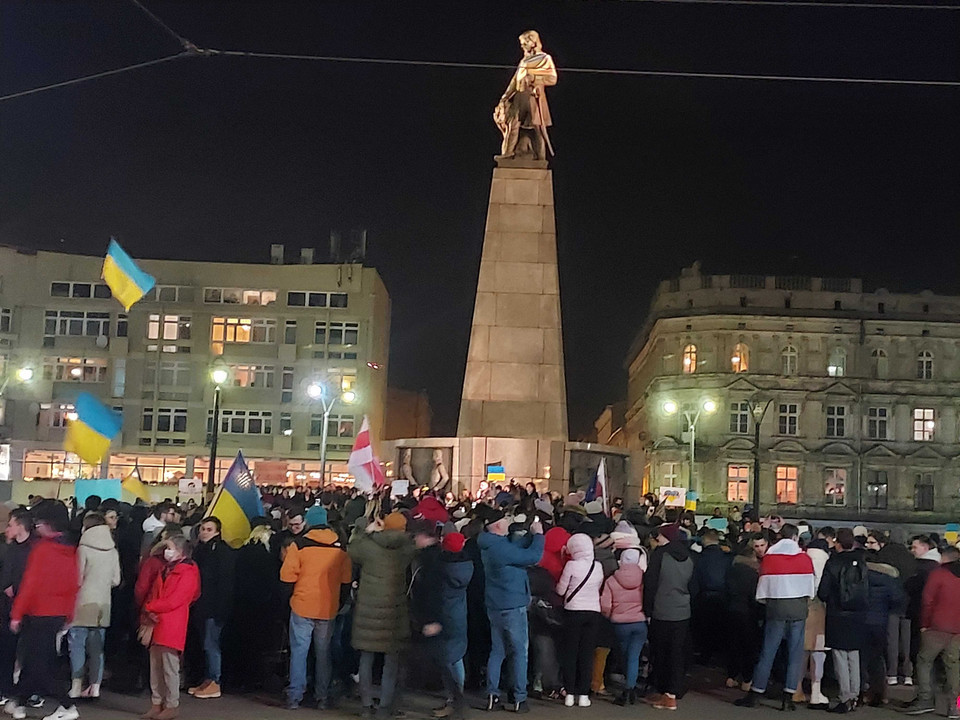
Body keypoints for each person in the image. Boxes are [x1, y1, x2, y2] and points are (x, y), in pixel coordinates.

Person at [8, 500, 80, 720]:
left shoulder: (42, 550)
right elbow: (74, 585)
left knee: (40, 664)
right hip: (57, 614)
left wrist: (16, 614)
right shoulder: (70, 549)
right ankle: (19, 701)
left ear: (47, 523)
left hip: (38, 612)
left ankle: (67, 706)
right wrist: (69, 614)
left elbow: (30, 584)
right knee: (37, 660)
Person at [735, 524, 815, 711]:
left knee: (768, 651)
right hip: (798, 610)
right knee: (795, 654)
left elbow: (762, 588)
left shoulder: (770, 557)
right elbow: (811, 587)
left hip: (776, 609)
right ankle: (788, 696)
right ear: (795, 537)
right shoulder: (804, 558)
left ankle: (756, 692)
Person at [280, 512, 351, 710]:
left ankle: (295, 696)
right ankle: (322, 697)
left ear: (308, 522)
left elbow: (287, 577)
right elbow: (346, 581)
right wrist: (337, 602)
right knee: (323, 654)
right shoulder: (339, 548)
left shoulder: (299, 545)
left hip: (302, 605)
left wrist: (289, 599)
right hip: (327, 608)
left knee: (299, 653)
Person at [349, 512, 416, 719]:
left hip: (368, 612)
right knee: (391, 663)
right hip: (395, 612)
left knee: (366, 658)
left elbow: (351, 548)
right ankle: (385, 706)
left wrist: (366, 530)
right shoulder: (407, 549)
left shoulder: (369, 547)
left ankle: (366, 705)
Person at [478, 511, 545, 713]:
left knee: (498, 651)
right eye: (505, 520)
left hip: (495, 604)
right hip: (512, 605)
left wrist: (528, 537)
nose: (509, 522)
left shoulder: (491, 545)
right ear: (498, 525)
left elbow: (514, 549)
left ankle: (493, 695)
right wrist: (539, 535)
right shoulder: (500, 548)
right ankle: (518, 698)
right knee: (518, 652)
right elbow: (533, 556)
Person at [141, 534, 201, 720]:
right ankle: (157, 703)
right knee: (156, 667)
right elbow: (154, 592)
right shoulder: (167, 569)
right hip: (158, 620)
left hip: (171, 622)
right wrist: (151, 609)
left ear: (180, 551)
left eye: (170, 547)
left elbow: (177, 599)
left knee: (169, 667)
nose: (166, 551)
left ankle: (171, 704)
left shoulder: (187, 572)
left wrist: (151, 607)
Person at [644, 523, 696, 711]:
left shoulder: (659, 555)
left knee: (662, 653)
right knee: (676, 652)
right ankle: (672, 691)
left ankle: (667, 693)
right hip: (683, 610)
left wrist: (647, 610)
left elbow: (650, 584)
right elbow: (694, 585)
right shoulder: (690, 555)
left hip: (661, 609)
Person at [68, 512, 120, 700]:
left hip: (83, 602)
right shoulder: (113, 550)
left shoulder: (83, 549)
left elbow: (77, 578)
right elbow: (116, 579)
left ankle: (76, 685)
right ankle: (95, 686)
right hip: (104, 604)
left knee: (77, 645)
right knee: (97, 647)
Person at [903, 546, 960, 717]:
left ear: (944, 558)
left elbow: (927, 600)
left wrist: (924, 624)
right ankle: (955, 706)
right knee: (953, 666)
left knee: (924, 661)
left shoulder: (938, 574)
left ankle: (925, 699)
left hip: (936, 626)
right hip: (957, 629)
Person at [817, 527, 868, 713]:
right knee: (853, 654)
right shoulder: (862, 562)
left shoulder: (833, 562)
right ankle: (854, 694)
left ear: (837, 543)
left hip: (837, 613)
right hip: (857, 614)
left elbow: (823, 591)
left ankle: (845, 696)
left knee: (839, 655)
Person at [188, 517, 235, 700]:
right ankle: (208, 679)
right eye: (202, 529)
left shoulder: (221, 552)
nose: (204, 532)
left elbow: (225, 584)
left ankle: (214, 681)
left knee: (211, 644)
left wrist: (220, 610)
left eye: (208, 529)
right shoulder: (201, 550)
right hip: (202, 606)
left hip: (213, 608)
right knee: (206, 644)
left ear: (217, 531)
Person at [494, 30, 557, 161]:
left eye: (525, 43)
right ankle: (508, 153)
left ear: (533, 42)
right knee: (513, 124)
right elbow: (514, 81)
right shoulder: (524, 61)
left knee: (538, 129)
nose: (522, 46)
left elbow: (552, 78)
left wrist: (535, 78)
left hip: (534, 97)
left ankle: (541, 158)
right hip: (519, 96)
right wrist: (504, 97)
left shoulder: (545, 58)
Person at [556, 533, 603, 708]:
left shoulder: (571, 565)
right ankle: (584, 694)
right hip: (593, 613)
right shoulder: (597, 566)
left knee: (571, 653)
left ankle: (569, 693)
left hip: (573, 612)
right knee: (586, 654)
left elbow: (561, 590)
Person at [433, 532, 474, 720]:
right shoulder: (467, 566)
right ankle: (456, 696)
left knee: (446, 659)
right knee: (457, 657)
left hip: (443, 615)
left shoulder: (440, 567)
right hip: (460, 614)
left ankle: (453, 699)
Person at [600, 548, 646, 706]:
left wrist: (610, 615)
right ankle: (630, 689)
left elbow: (605, 605)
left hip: (620, 624)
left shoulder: (612, 580)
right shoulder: (644, 578)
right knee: (634, 657)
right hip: (640, 622)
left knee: (626, 656)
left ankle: (627, 690)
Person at [874, 528, 916, 686]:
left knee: (892, 639)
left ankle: (891, 673)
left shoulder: (884, 554)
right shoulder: (910, 557)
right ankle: (907, 674)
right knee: (907, 640)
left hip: (889, 602)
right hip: (908, 602)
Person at [0, 509, 33, 705]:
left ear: (20, 526)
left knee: (26, 650)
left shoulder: (33, 550)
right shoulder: (10, 548)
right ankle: (6, 687)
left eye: (10, 525)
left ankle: (22, 690)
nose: (7, 529)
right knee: (7, 649)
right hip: (7, 607)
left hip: (26, 607)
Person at [725, 535, 764, 692]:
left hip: (731, 610)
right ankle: (747, 679)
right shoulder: (754, 574)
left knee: (733, 645)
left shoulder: (731, 569)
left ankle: (731, 676)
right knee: (748, 647)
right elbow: (755, 596)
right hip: (748, 613)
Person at [691, 528, 730, 665]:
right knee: (719, 628)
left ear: (704, 542)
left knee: (704, 629)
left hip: (704, 596)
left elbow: (695, 581)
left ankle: (705, 656)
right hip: (723, 596)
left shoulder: (698, 558)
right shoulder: (727, 558)